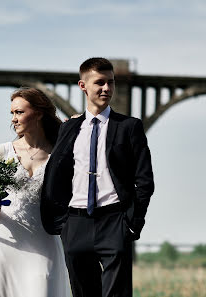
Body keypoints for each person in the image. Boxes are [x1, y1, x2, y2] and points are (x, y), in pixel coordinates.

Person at [41, 57, 155, 297]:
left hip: (115, 221)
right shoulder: (69, 128)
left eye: (111, 83)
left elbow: (144, 180)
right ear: (83, 86)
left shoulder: (129, 126)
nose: (107, 89)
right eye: (100, 83)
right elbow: (56, 174)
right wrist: (62, 223)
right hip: (75, 223)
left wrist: (133, 223)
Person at [0, 87, 70, 297]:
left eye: (19, 112)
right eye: (12, 113)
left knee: (42, 286)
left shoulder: (59, 153)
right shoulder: (3, 151)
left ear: (38, 113)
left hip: (43, 239)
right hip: (5, 240)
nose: (14, 119)